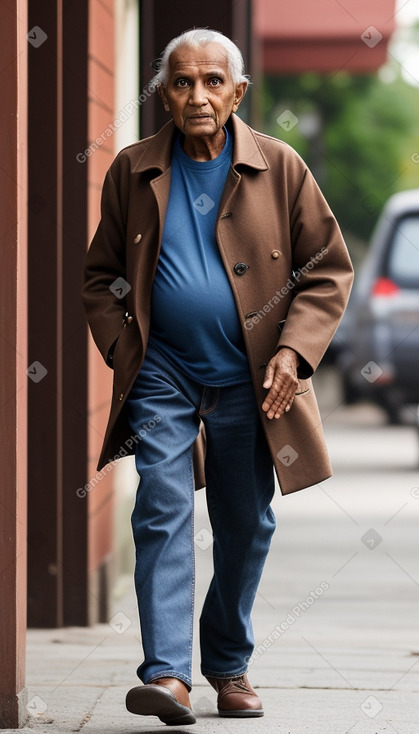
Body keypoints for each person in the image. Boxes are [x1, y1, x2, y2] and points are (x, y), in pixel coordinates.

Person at [82, 28, 353, 726]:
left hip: (251, 379)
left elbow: (325, 269)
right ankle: (167, 675)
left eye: (211, 82)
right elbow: (100, 276)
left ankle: (228, 665)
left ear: (237, 92)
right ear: (163, 92)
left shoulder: (281, 166)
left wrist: (292, 353)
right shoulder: (133, 169)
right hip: (163, 374)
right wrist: (125, 354)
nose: (196, 95)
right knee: (160, 510)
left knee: (244, 524)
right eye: (180, 81)